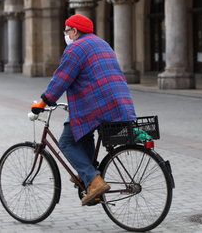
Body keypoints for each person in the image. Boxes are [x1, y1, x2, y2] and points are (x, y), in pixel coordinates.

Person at [31, 14, 137, 206]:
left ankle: (94, 181)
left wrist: (43, 102)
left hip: (96, 104)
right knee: (83, 133)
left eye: (67, 30)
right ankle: (88, 176)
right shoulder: (102, 43)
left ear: (75, 31)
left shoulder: (75, 48)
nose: (66, 34)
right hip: (119, 101)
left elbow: (61, 78)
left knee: (67, 142)